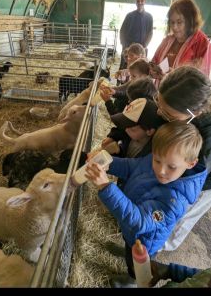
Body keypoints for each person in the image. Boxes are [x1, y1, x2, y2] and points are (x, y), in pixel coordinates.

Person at [85, 121, 207, 285]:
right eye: (157, 161)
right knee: (129, 246)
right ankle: (127, 249)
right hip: (131, 231)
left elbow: (139, 222)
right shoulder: (156, 160)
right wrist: (107, 162)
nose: (161, 171)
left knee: (137, 263)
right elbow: (131, 167)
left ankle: (131, 281)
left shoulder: (175, 201)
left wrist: (106, 186)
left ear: (190, 163)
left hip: (144, 241)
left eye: (171, 167)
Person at [155, 65, 211, 190]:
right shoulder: (178, 112)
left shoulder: (206, 139)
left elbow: (193, 179)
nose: (159, 112)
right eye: (159, 104)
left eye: (168, 114)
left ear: (194, 114)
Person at [151, 0, 210, 85]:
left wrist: (174, 76)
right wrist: (153, 71)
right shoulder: (167, 40)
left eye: (179, 22)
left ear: (190, 21)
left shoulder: (202, 43)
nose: (174, 27)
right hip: (161, 94)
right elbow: (154, 61)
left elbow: (201, 82)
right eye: (172, 22)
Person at [119, 0, 153, 70]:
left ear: (145, 2)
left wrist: (144, 46)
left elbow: (150, 33)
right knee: (124, 66)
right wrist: (124, 44)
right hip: (128, 47)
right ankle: (120, 81)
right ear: (136, 2)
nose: (140, 3)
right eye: (138, 1)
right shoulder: (129, 15)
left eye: (142, 1)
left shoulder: (149, 17)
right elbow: (122, 30)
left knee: (139, 69)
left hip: (141, 49)